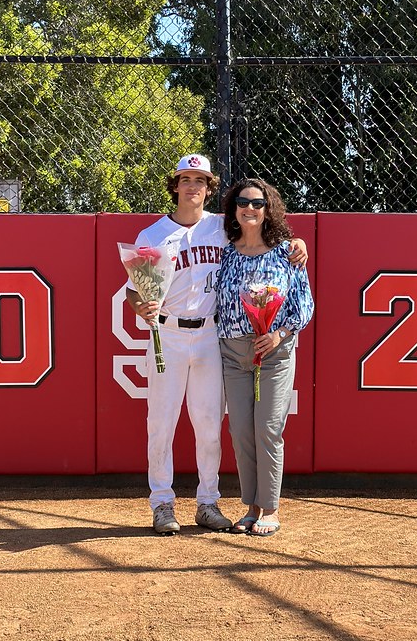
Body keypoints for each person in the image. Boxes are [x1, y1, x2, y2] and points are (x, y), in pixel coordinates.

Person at [126, 155, 308, 535]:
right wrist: (138, 304)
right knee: (161, 423)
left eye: (201, 180)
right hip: (168, 333)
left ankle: (207, 502)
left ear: (210, 188)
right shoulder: (153, 235)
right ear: (174, 185)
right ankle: (162, 503)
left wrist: (298, 244)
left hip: (211, 335)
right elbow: (134, 288)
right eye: (186, 179)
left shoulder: (222, 228)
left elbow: (261, 238)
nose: (193, 186)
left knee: (209, 425)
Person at [216, 178, 314, 536]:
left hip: (274, 349)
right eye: (243, 202)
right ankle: (251, 507)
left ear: (268, 208)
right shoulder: (224, 251)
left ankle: (270, 509)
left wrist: (278, 334)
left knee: (268, 429)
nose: (250, 208)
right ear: (233, 209)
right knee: (241, 429)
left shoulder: (287, 252)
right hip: (232, 350)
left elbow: (304, 303)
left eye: (257, 203)